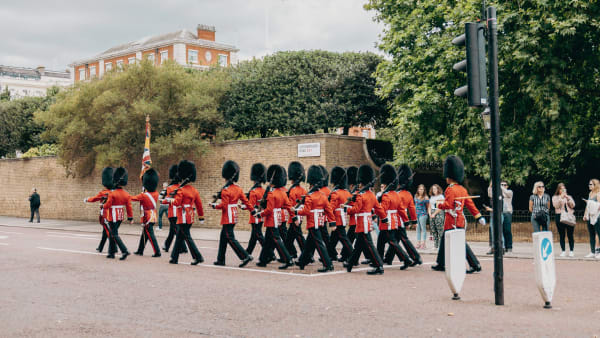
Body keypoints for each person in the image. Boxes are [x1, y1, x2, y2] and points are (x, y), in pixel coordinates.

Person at [431, 156, 486, 273]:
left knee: (460, 243)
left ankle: (475, 265)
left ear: (449, 177)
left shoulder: (450, 189)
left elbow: (448, 205)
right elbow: (470, 205)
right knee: (444, 240)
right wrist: (478, 216)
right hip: (460, 219)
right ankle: (440, 263)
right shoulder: (462, 189)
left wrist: (438, 205)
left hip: (452, 220)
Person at [343, 165, 388, 275]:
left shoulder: (361, 195)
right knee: (358, 246)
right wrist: (384, 218)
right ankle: (350, 264)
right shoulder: (371, 195)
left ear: (361, 182)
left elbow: (356, 209)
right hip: (367, 221)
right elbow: (379, 208)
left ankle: (379, 266)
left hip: (361, 223)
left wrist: (346, 209)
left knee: (369, 245)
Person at [210, 160, 253, 267]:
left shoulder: (225, 190)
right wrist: (253, 211)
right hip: (234, 215)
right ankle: (220, 260)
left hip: (227, 216)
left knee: (230, 237)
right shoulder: (238, 189)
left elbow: (223, 205)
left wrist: (214, 205)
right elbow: (246, 202)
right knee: (223, 237)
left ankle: (245, 256)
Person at [296, 165, 335, 272]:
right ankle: (302, 261)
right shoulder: (322, 195)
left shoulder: (310, 196)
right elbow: (329, 210)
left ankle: (328, 264)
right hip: (320, 221)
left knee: (319, 244)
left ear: (311, 184)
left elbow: (306, 211)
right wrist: (332, 223)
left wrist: (296, 211)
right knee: (309, 243)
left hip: (313, 222)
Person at [255, 165, 294, 269]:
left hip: (272, 219)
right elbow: (289, 207)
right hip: (278, 218)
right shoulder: (282, 193)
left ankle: (288, 259)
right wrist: (293, 217)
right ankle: (263, 260)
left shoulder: (271, 194)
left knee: (277, 239)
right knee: (268, 240)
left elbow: (269, 210)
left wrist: (259, 214)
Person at [376, 164, 412, 270]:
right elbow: (401, 210)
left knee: (392, 242)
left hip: (386, 222)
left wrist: (376, 205)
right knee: (380, 242)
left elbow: (382, 209)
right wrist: (406, 221)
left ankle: (406, 259)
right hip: (394, 221)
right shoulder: (396, 194)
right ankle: (378, 260)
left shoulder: (386, 196)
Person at [169, 160, 204, 265]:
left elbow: (176, 203)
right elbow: (199, 204)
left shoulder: (181, 190)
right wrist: (201, 217)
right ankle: (174, 258)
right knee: (179, 236)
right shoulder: (194, 190)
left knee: (187, 237)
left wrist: (170, 200)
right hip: (190, 215)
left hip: (183, 216)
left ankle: (198, 257)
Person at [386, 164, 422, 266]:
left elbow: (399, 209)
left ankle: (416, 257)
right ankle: (388, 258)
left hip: (397, 219)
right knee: (397, 239)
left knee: (399, 239)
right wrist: (414, 221)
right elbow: (412, 208)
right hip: (403, 218)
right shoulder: (408, 194)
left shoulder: (397, 194)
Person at [102, 167, 133, 260]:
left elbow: (107, 205)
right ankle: (111, 253)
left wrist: (103, 205)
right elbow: (129, 207)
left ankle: (124, 250)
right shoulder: (126, 194)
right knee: (112, 233)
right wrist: (130, 218)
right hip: (120, 215)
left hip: (112, 216)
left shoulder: (112, 193)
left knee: (114, 234)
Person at [131, 168, 161, 257]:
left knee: (150, 234)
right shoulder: (156, 193)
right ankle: (140, 250)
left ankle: (157, 251)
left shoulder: (143, 195)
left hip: (147, 217)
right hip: (153, 215)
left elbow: (132, 198)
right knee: (145, 233)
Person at [327, 166, 354, 262]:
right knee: (332, 240)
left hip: (337, 219)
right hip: (343, 217)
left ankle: (353, 256)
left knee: (344, 239)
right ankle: (331, 255)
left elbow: (331, 208)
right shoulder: (347, 193)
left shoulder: (335, 193)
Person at [84, 167, 113, 253]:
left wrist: (87, 199)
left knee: (108, 231)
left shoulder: (103, 193)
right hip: (113, 214)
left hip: (105, 214)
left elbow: (94, 199)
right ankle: (100, 247)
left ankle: (113, 247)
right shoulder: (114, 192)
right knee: (105, 231)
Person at [161, 164, 187, 254]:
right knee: (172, 230)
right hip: (180, 211)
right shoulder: (182, 187)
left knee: (176, 230)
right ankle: (167, 246)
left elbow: (166, 200)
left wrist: (163, 200)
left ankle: (183, 247)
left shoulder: (170, 188)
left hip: (173, 212)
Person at [284, 161, 307, 259]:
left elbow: (290, 206)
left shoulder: (292, 191)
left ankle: (307, 254)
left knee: (298, 237)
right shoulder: (303, 190)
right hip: (300, 215)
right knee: (289, 239)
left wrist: (294, 218)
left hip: (295, 217)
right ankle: (291, 253)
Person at [245, 163, 267, 256]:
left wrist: (243, 207)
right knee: (254, 236)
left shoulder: (253, 192)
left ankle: (269, 252)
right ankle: (247, 252)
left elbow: (251, 205)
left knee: (258, 235)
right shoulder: (264, 191)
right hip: (261, 215)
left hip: (255, 216)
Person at [552, 183, 576, 257]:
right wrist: (561, 198)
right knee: (562, 234)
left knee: (570, 234)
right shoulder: (555, 197)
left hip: (569, 216)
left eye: (564, 189)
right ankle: (563, 251)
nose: (562, 190)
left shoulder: (569, 197)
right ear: (558, 190)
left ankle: (571, 251)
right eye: (561, 189)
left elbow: (573, 205)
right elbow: (556, 205)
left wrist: (568, 199)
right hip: (559, 216)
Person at [583, 179, 600, 258]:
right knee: (591, 234)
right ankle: (592, 251)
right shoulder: (590, 193)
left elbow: (599, 206)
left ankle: (598, 252)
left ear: (595, 185)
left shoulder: (598, 194)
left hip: (597, 217)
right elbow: (588, 205)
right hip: (590, 216)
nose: (589, 186)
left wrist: (590, 203)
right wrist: (585, 215)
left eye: (591, 184)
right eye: (589, 184)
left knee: (598, 234)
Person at [428, 184, 445, 249]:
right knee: (433, 230)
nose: (434, 190)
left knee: (439, 230)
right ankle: (436, 245)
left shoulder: (441, 197)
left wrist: (434, 214)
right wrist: (430, 214)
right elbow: (429, 206)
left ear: (438, 189)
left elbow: (441, 207)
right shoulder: (431, 197)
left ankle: (441, 246)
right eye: (433, 189)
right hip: (432, 213)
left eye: (435, 189)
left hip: (438, 213)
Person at [414, 184, 429, 249]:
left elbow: (428, 207)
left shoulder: (426, 197)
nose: (421, 190)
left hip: (423, 214)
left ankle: (424, 244)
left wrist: (427, 214)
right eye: (420, 189)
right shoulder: (415, 196)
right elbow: (415, 205)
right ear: (418, 189)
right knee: (418, 229)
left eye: (422, 189)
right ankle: (418, 243)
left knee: (423, 229)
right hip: (416, 214)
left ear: (424, 190)